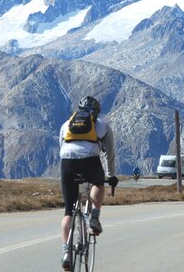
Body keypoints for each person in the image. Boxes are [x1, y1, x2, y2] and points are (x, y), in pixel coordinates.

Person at [59, 96, 118, 270]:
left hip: (67, 162)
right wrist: (111, 175)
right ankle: (94, 216)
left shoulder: (66, 124)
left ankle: (66, 253)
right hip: (90, 161)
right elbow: (110, 154)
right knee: (98, 184)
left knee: (68, 210)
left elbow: (61, 146)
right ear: (96, 112)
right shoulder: (101, 125)